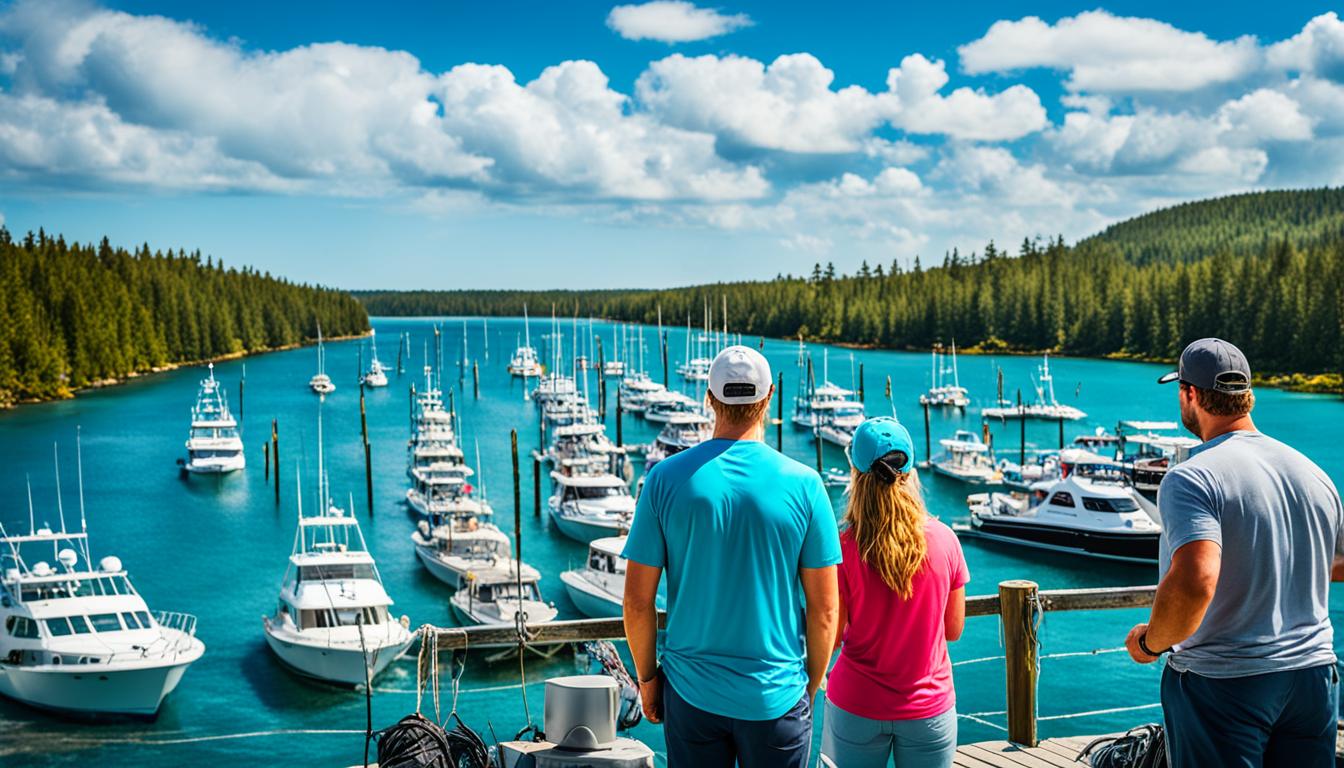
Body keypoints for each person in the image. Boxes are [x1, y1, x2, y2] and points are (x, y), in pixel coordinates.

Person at [1124, 337, 1344, 768]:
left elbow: (1195, 581)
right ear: (1247, 396)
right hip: (1314, 676)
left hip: (1226, 682)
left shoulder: (1191, 477)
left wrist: (1151, 642)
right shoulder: (1312, 473)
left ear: (1189, 394)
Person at [622, 345, 841, 768]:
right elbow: (825, 609)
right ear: (770, 397)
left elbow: (636, 601)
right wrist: (809, 686)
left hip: (690, 696)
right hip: (776, 695)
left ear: (708, 397)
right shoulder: (806, 485)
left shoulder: (664, 480)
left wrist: (648, 679)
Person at [822, 417, 968, 768]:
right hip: (927, 708)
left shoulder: (843, 547)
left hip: (856, 702)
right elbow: (953, 629)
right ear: (910, 471)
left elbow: (835, 633)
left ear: (856, 475)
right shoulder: (945, 540)